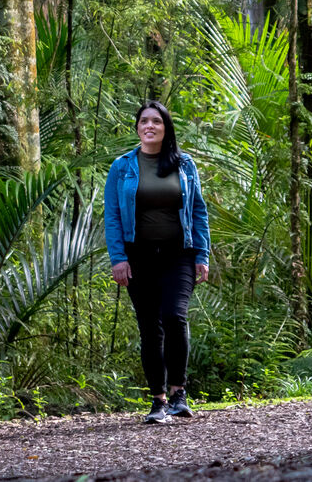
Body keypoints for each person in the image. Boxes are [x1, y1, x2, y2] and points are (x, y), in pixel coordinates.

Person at [104, 99, 210, 424]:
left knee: (174, 317)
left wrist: (203, 255)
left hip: (180, 254)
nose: (149, 126)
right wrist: (118, 258)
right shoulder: (122, 167)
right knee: (150, 326)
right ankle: (158, 400)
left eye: (157, 121)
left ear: (166, 128)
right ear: (137, 127)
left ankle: (179, 393)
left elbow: (199, 211)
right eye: (144, 121)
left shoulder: (185, 164)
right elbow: (112, 216)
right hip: (139, 256)